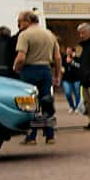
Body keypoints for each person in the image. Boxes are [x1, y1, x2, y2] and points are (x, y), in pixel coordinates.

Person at [12, 11, 61, 146]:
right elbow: (57, 57)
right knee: (46, 102)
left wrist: (15, 69)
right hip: (46, 70)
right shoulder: (49, 34)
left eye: (20, 21)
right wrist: (57, 75)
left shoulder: (25, 35)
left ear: (27, 21)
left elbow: (21, 57)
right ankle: (50, 135)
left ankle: (31, 136)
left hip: (29, 70)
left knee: (29, 104)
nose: (19, 24)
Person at [61, 45, 82, 111]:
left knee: (77, 93)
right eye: (67, 51)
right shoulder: (64, 58)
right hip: (66, 79)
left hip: (76, 78)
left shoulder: (77, 58)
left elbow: (79, 66)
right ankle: (71, 106)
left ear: (72, 51)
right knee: (67, 93)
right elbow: (61, 67)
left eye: (69, 51)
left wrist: (72, 62)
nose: (68, 52)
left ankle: (77, 107)